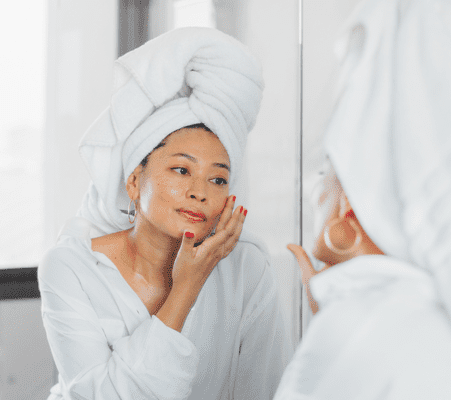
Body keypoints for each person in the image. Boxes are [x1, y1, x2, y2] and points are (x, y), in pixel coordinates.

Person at [39, 27, 292, 400]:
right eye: (181, 170)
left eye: (219, 179)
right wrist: (186, 288)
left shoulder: (247, 267)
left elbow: (266, 390)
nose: (199, 192)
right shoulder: (71, 267)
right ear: (134, 180)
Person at [275, 0, 451, 398]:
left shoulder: (365, 325)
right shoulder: (426, 317)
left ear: (355, 201)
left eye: (328, 167)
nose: (314, 187)